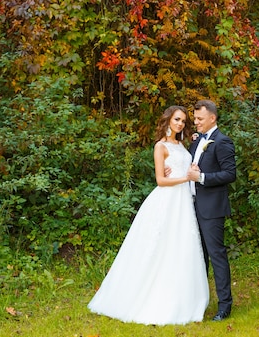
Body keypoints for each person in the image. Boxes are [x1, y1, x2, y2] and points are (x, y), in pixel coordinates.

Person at [87, 105, 209, 325]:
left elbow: (190, 157)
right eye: (176, 120)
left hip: (183, 203)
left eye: (183, 120)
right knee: (159, 246)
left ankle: (183, 298)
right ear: (168, 121)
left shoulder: (182, 145)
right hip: (168, 199)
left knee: (181, 246)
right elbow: (161, 180)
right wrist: (186, 178)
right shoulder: (160, 147)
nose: (180, 123)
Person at [186, 99, 237, 321]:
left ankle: (225, 305)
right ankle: (199, 300)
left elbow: (229, 174)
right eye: (195, 118)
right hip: (191, 206)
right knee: (198, 257)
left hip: (212, 208)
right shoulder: (197, 141)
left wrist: (202, 177)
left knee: (216, 256)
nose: (195, 122)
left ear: (212, 118)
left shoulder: (223, 142)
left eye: (199, 119)